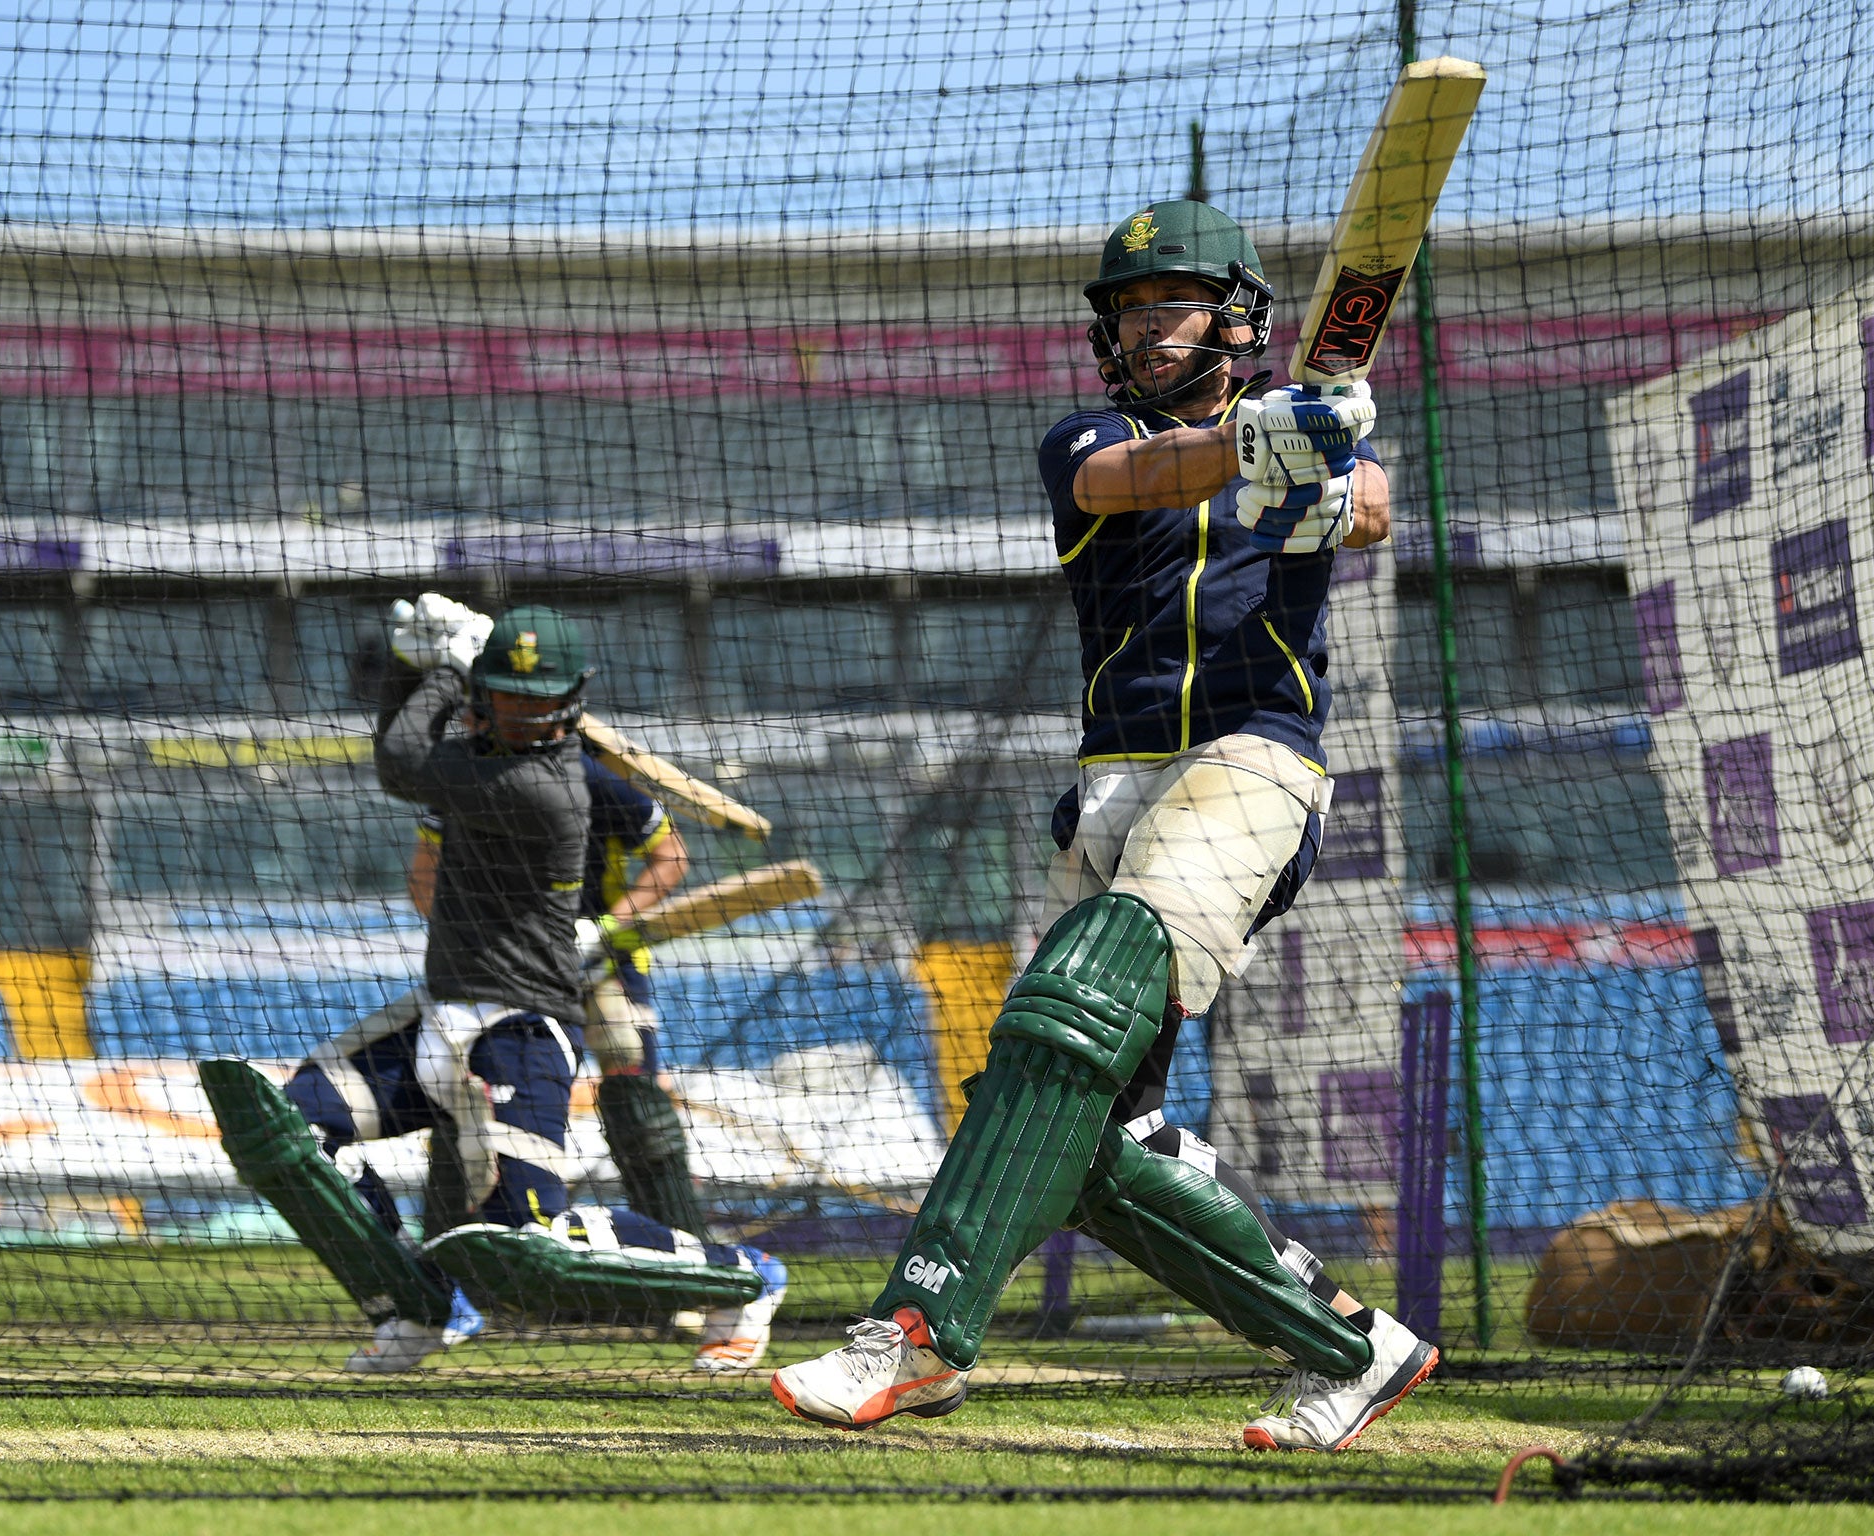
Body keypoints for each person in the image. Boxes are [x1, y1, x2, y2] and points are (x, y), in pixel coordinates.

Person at [770, 199, 1431, 1452]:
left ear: (1237, 317)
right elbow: (1123, 480)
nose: (1138, 325)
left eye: (1164, 303)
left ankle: (912, 1338)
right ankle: (1357, 1351)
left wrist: (1329, 472)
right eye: (1124, 308)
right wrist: (1258, 442)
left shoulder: (1291, 442)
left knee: (1072, 999)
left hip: (1251, 765)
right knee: (1077, 1133)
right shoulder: (1090, 436)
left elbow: (1377, 508)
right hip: (1116, 783)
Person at [200, 597, 784, 1374]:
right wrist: (411, 668)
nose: (521, 712)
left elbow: (401, 761)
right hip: (439, 1013)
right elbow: (400, 750)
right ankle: (418, 1306)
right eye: (508, 693)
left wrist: (439, 673)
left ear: (571, 703)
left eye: (538, 699)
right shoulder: (473, 771)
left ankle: (743, 1281)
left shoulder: (545, 784)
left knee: (528, 1235)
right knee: (294, 1127)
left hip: (521, 1031)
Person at [410, 742, 708, 1242]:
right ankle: (453, 1261)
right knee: (468, 1090)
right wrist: (466, 942)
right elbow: (425, 876)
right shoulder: (459, 782)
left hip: (603, 960)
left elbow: (671, 854)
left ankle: (685, 1264)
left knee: (628, 1066)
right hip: (504, 969)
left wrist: (608, 926)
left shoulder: (595, 780)